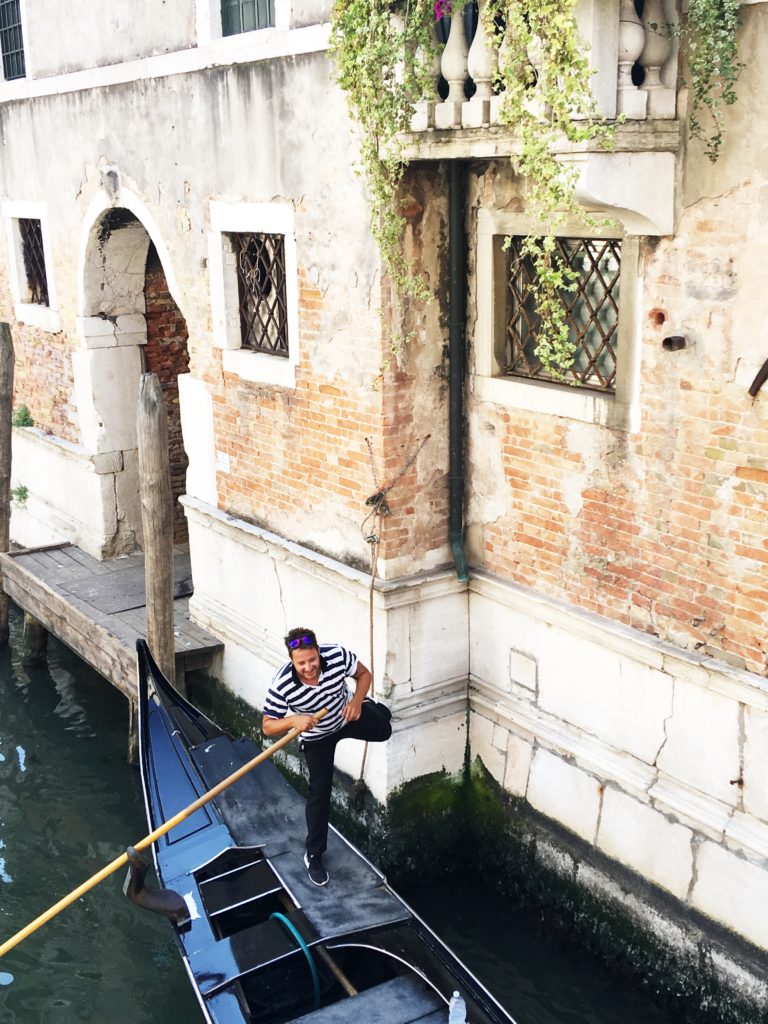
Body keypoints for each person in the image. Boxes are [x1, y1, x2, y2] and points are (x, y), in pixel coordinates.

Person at [262, 626, 392, 887]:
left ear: (319, 652)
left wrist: (356, 701)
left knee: (383, 729)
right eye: (301, 663)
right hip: (316, 737)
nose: (308, 667)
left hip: (346, 717)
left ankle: (370, 707)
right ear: (292, 661)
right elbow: (267, 726)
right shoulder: (282, 684)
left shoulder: (337, 656)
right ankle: (314, 854)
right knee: (320, 791)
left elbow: (364, 674)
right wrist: (293, 720)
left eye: (312, 660)